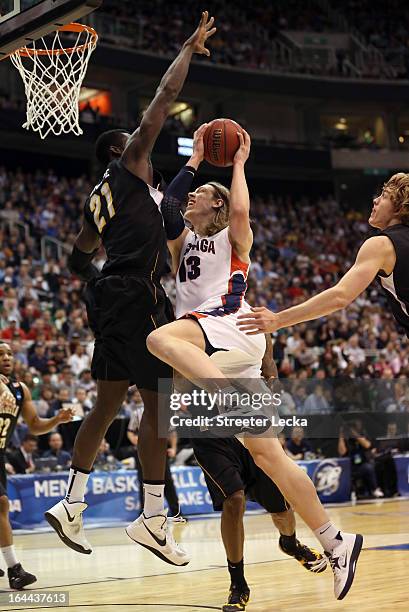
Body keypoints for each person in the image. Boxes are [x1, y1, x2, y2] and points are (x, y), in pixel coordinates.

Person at [145, 127, 363, 600]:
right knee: (270, 456)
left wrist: (238, 162)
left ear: (217, 207)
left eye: (200, 195)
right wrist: (195, 161)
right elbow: (165, 207)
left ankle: (218, 397)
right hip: (225, 350)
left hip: (230, 328)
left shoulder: (234, 238)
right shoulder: (182, 244)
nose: (191, 199)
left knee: (158, 338)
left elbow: (241, 209)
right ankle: (335, 541)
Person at [45, 12, 216, 567]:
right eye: (139, 148)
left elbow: (76, 257)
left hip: (112, 295)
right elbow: (165, 96)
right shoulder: (131, 165)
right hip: (136, 295)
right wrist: (187, 49)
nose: (151, 159)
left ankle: (71, 503)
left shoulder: (98, 197)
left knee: (108, 402)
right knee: (160, 405)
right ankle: (150, 516)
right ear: (124, 152)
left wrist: (105, 281)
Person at [191, 351, 326, 612]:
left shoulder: (242, 317)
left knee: (281, 511)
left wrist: (271, 382)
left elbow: (267, 362)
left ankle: (289, 543)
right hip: (211, 433)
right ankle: (238, 584)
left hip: (251, 424)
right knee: (234, 499)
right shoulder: (184, 323)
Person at [236, 172, 409, 342]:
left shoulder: (381, 245)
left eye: (384, 196)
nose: (375, 200)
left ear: (400, 208)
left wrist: (278, 320)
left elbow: (340, 297)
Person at [0, 342, 74, 589]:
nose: (6, 357)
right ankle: (14, 568)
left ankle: (14, 571)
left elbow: (34, 425)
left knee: (1, 506)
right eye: (0, 354)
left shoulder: (20, 390)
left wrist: (56, 419)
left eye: (9, 353)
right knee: (1, 504)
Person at [126, 401, 184, 521]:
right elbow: (130, 432)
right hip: (143, 451)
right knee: (143, 481)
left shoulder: (165, 412)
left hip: (160, 449)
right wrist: (139, 442)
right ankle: (145, 514)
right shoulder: (137, 412)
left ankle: (176, 512)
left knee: (167, 481)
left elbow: (172, 432)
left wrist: (173, 448)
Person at [338, 421, 384, 499]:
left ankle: (374, 489)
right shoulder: (345, 438)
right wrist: (341, 435)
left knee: (368, 468)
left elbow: (367, 445)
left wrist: (355, 434)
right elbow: (342, 452)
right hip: (349, 466)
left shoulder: (362, 435)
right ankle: (350, 492)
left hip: (362, 464)